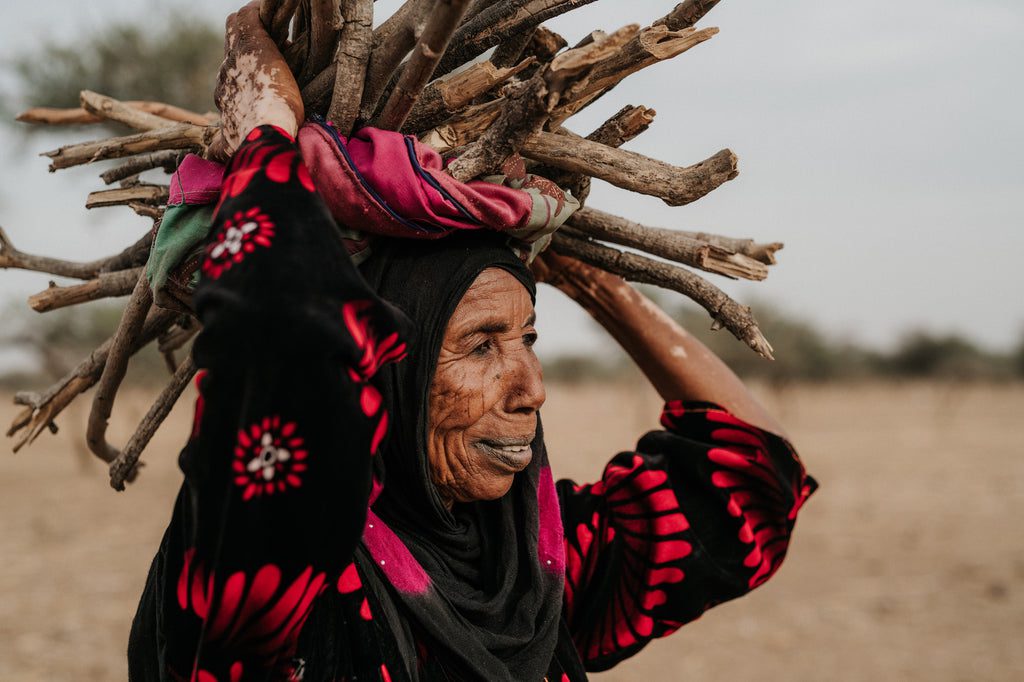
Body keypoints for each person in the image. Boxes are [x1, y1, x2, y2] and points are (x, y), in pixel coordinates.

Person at [128, 5, 816, 681]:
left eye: (529, 338)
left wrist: (593, 281)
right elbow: (281, 350)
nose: (533, 389)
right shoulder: (270, 580)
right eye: (482, 346)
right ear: (379, 366)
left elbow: (749, 482)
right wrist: (267, 140)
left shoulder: (526, 576)